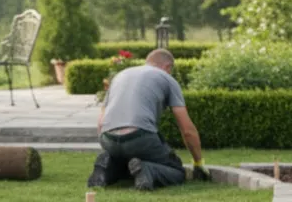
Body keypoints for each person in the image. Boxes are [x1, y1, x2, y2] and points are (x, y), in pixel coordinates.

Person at [86, 48, 207, 190]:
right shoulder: (167, 78)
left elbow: (101, 122)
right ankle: (147, 170)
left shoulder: (120, 75)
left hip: (108, 138)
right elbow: (187, 130)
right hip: (140, 137)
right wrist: (198, 163)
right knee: (177, 171)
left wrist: (111, 147)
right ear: (168, 67)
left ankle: (105, 168)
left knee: (128, 165)